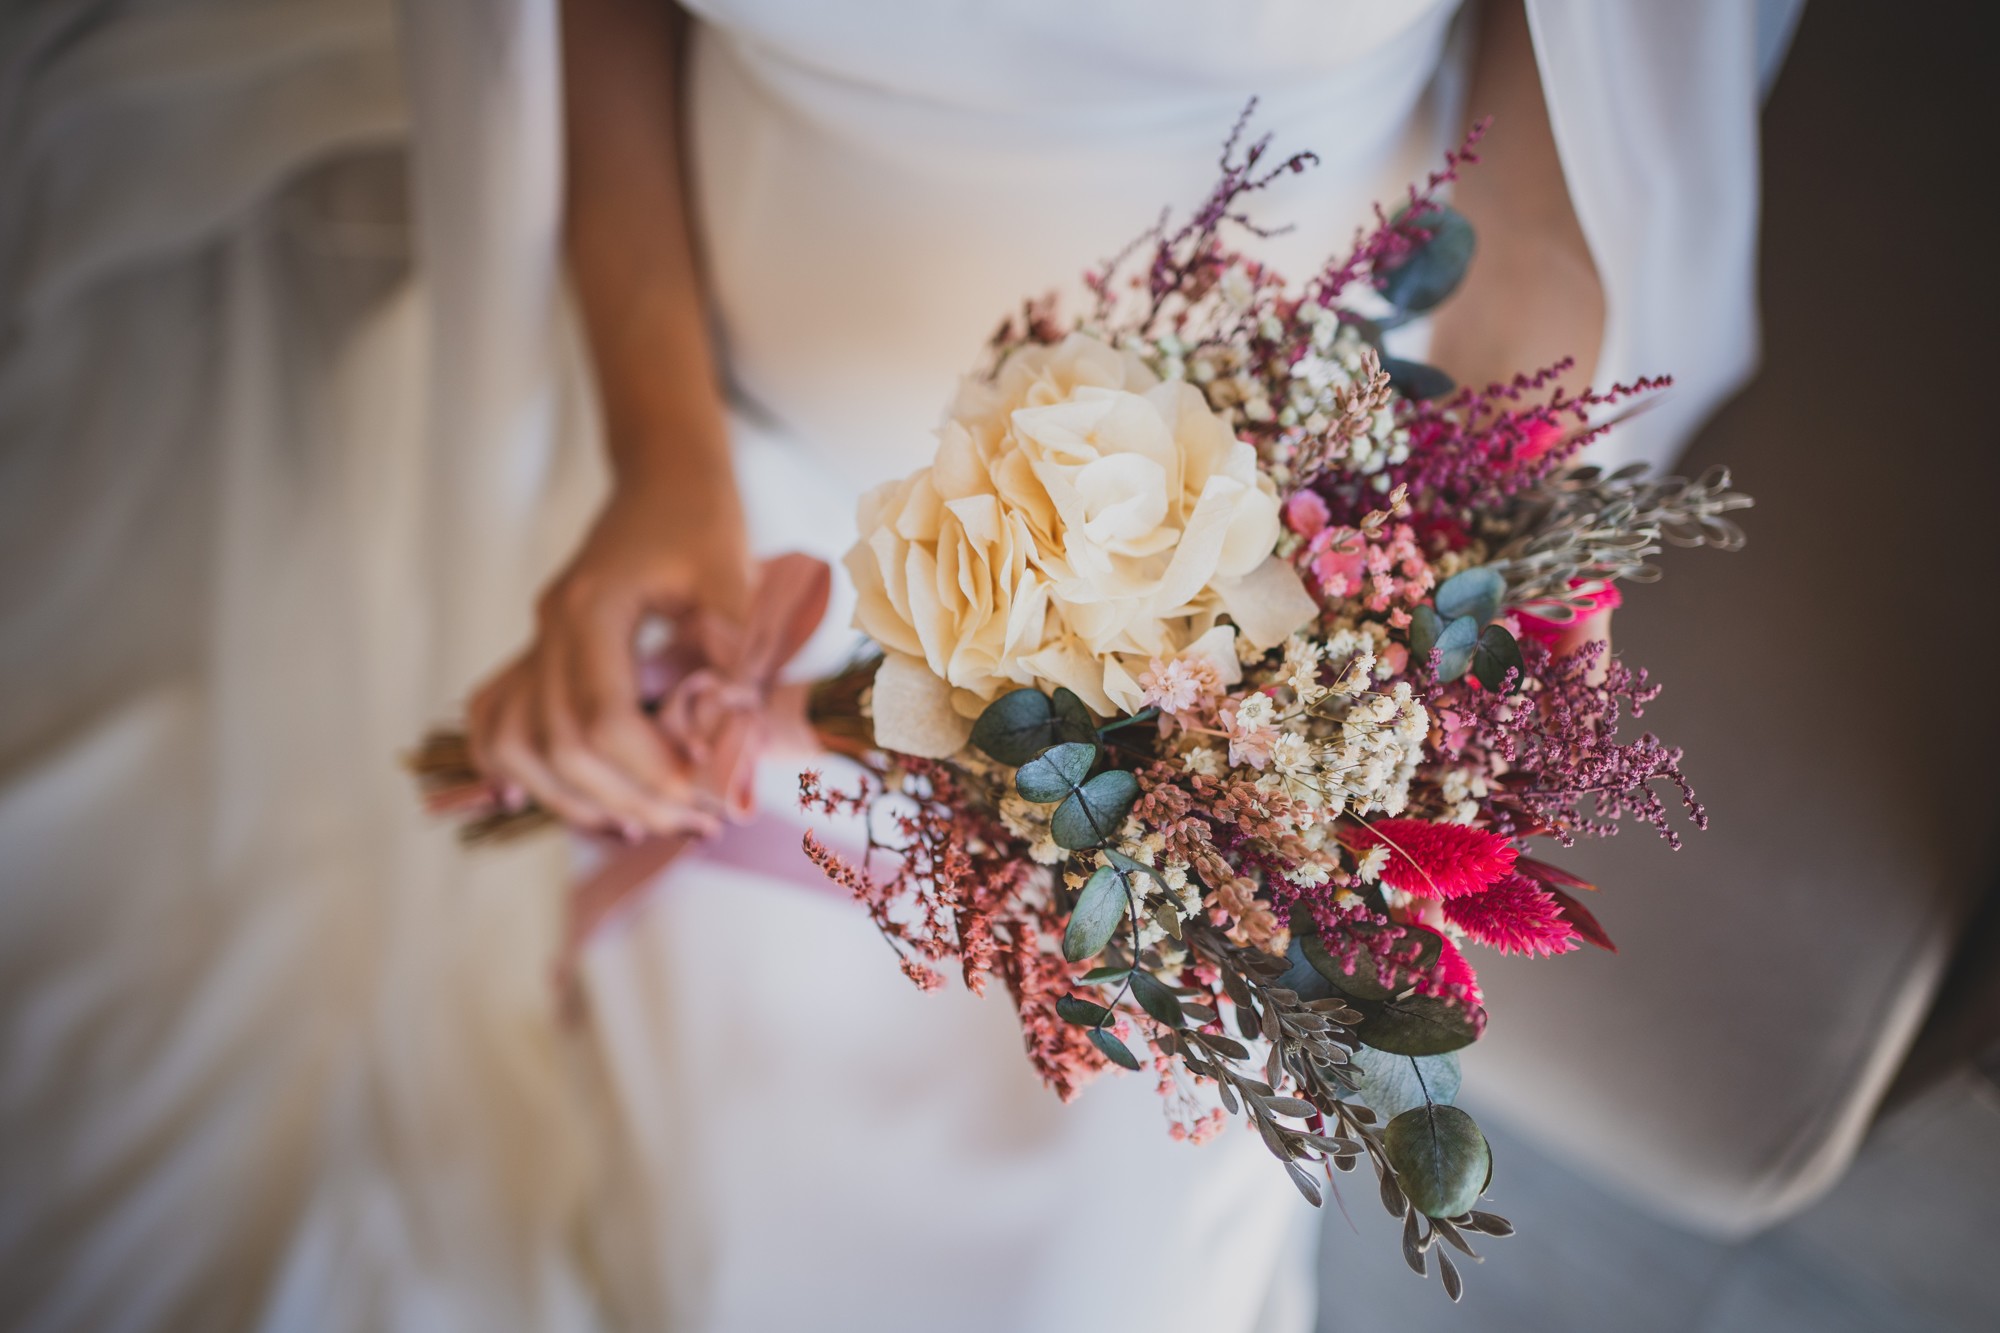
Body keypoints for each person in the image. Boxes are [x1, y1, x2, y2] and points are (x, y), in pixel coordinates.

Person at [1, 1, 1801, 1328]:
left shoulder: (1268, 644)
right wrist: (660, 460)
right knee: (716, 1231)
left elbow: (1554, 222)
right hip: (719, 458)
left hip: (1253, 586)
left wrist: (1411, 619)